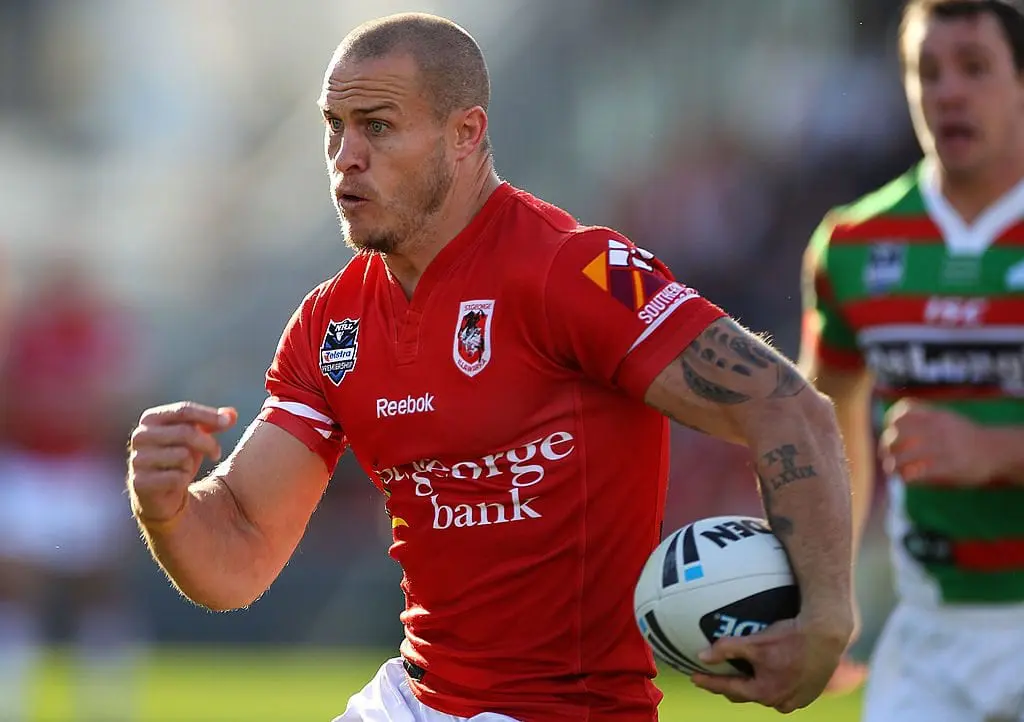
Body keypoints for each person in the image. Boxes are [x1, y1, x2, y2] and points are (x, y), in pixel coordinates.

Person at [127, 12, 854, 721]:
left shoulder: (573, 271)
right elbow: (240, 549)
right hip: (413, 698)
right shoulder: (331, 323)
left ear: (465, 134)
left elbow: (786, 406)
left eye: (377, 126)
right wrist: (168, 509)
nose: (346, 155)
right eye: (334, 126)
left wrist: (825, 617)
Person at [799, 1, 1024, 720]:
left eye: (975, 68)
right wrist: (827, 585)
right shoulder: (852, 244)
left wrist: (996, 450)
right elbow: (821, 415)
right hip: (930, 637)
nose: (948, 92)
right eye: (926, 72)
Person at [0, 257, 146, 722]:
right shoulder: (23, 335)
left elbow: (120, 402)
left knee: (100, 589)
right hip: (29, 469)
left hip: (85, 471)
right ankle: (11, 701)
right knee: (14, 588)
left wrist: (76, 409)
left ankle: (105, 704)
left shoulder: (102, 336)